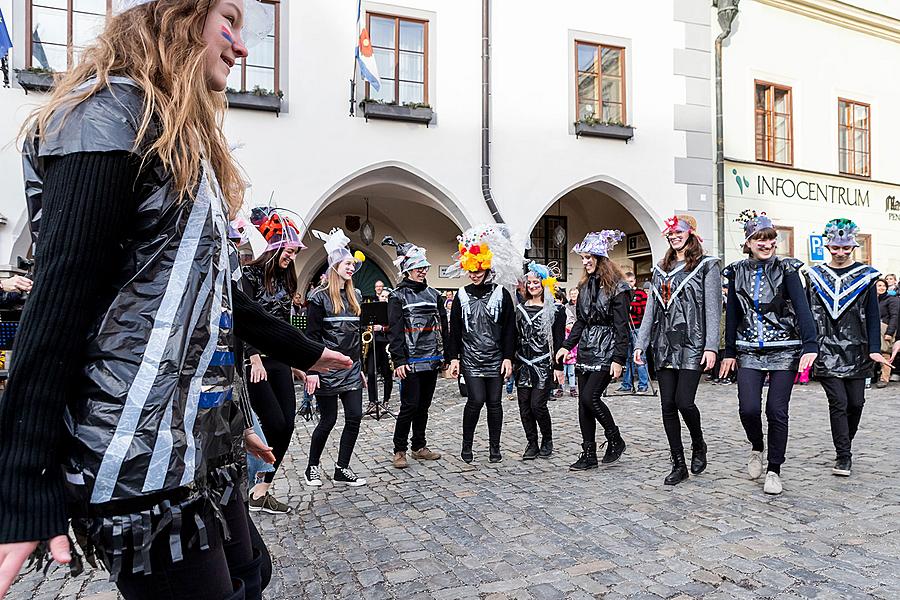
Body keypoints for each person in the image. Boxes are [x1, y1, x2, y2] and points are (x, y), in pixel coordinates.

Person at [0, 1, 352, 597]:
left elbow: (204, 296)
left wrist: (274, 371)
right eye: (230, 20)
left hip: (189, 439)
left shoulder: (170, 132)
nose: (242, 46)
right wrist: (22, 472)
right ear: (179, 17)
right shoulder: (108, 114)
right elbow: (61, 293)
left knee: (251, 573)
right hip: (133, 448)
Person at [719, 210, 817, 496]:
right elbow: (733, 312)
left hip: (784, 349)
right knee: (748, 408)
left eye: (770, 238)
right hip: (748, 349)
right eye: (758, 239)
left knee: (776, 410)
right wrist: (729, 351)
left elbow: (802, 308)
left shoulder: (787, 270)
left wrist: (810, 345)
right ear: (748, 242)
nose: (765, 244)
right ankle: (757, 446)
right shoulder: (736, 271)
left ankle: (774, 468)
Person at [634, 215, 721, 485]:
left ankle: (698, 442)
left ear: (690, 234)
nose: (674, 236)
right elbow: (651, 309)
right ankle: (678, 462)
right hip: (664, 344)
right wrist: (641, 343)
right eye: (670, 233)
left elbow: (713, 308)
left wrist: (711, 347)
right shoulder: (661, 269)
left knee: (685, 401)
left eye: (678, 232)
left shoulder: (707, 266)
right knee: (667, 405)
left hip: (693, 343)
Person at [805, 219, 889, 477]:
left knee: (856, 403)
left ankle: (845, 442)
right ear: (827, 246)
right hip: (826, 348)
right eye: (835, 248)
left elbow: (873, 316)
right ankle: (844, 456)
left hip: (857, 349)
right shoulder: (814, 275)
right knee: (838, 402)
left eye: (845, 249)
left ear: (853, 247)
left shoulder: (866, 276)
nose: (840, 253)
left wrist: (875, 348)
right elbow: (807, 313)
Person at [242, 207, 305, 515]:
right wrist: (253, 357)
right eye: (288, 250)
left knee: (288, 425)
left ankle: (261, 489)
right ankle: (248, 479)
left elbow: (283, 323)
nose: (291, 257)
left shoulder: (285, 281)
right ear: (274, 246)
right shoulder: (250, 275)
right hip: (256, 360)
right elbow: (244, 321)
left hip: (279, 359)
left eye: (294, 252)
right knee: (274, 423)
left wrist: (295, 359)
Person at [555, 231, 630, 472]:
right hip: (587, 348)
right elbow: (580, 321)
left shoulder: (618, 288)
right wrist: (566, 346)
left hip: (607, 349)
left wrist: (619, 358)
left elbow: (622, 326)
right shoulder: (584, 286)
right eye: (583, 258)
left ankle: (615, 438)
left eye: (590, 257)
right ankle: (589, 453)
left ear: (601, 259)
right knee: (582, 404)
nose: (585, 261)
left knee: (590, 397)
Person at [446, 225, 519, 464]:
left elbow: (510, 329)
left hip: (496, 358)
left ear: (487, 269)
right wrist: (454, 358)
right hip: (471, 358)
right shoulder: (461, 295)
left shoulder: (501, 294)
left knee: (495, 403)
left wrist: (508, 357)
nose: (475, 275)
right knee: (476, 400)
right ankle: (467, 445)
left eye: (479, 271)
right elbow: (454, 330)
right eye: (472, 271)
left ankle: (494, 447)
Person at [304, 229, 367, 487]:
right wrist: (312, 371)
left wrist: (360, 368)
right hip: (327, 369)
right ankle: (312, 467)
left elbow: (356, 336)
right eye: (348, 263)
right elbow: (312, 336)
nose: (352, 267)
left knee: (354, 416)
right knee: (328, 420)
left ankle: (342, 467)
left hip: (351, 368)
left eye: (353, 264)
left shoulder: (357, 297)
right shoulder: (318, 298)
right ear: (335, 266)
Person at [382, 236, 447, 469]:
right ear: (407, 269)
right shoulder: (397, 296)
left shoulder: (435, 295)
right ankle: (399, 449)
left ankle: (419, 446)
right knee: (409, 405)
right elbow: (395, 331)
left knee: (424, 405)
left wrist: (446, 356)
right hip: (410, 360)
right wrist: (399, 359)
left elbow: (443, 326)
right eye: (418, 267)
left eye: (424, 267)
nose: (422, 271)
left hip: (431, 359)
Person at [513, 262, 566, 460]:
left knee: (538, 405)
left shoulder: (556, 311)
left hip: (543, 364)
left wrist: (558, 367)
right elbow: (514, 337)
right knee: (524, 407)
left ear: (545, 284)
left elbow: (559, 340)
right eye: (530, 283)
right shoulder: (519, 309)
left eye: (537, 282)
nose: (533, 286)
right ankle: (532, 443)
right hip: (523, 365)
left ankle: (547, 439)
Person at [618, 270, 650, 394]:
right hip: (626, 328)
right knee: (628, 358)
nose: (629, 284)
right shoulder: (623, 294)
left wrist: (632, 307)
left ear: (634, 281)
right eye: (627, 282)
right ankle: (627, 384)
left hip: (637, 328)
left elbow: (644, 310)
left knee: (639, 357)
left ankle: (643, 384)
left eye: (631, 282)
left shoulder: (641, 294)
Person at [365, 287, 394, 410]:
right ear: (379, 297)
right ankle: (372, 400)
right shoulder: (373, 309)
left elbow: (395, 327)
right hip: (374, 344)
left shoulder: (392, 310)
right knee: (371, 373)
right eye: (383, 296)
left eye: (387, 297)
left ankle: (386, 400)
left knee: (387, 374)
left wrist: (382, 328)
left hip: (387, 345)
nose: (384, 299)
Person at [876, 278, 899, 387]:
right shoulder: (873, 300)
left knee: (884, 353)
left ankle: (884, 378)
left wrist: (889, 332)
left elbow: (894, 316)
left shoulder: (891, 299)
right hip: (874, 329)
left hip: (885, 328)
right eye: (879, 286)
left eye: (883, 286)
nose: (881, 288)